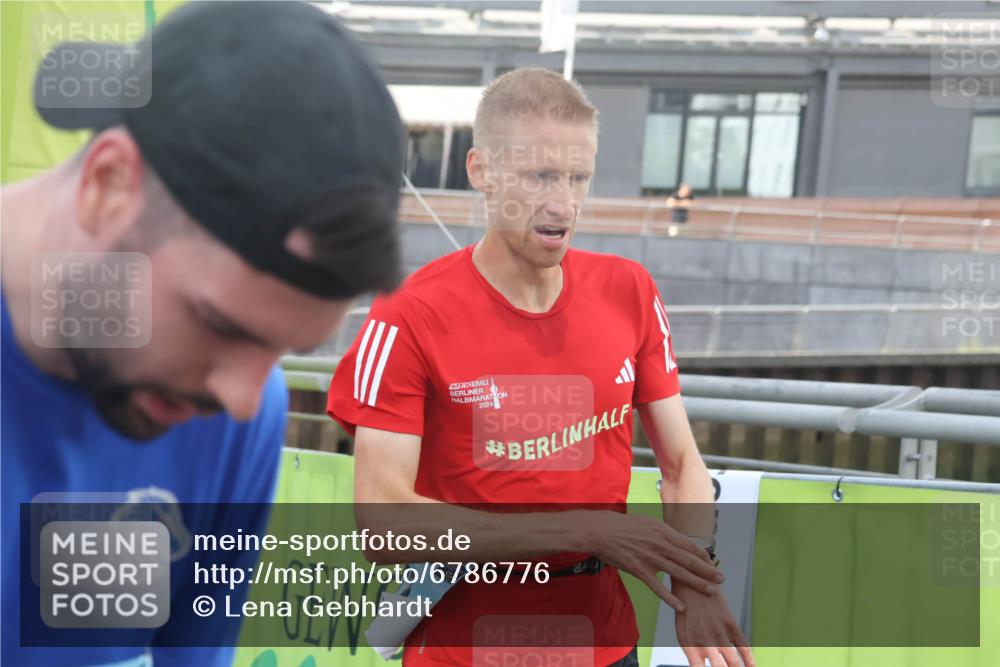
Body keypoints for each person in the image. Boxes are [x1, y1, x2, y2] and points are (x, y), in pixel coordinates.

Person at [1, 2, 403, 665]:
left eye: (283, 351)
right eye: (218, 323)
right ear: (107, 185)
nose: (246, 396)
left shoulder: (233, 413)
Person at [327, 68, 754, 667]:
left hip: (605, 644)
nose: (564, 203)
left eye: (579, 177)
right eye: (540, 176)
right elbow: (382, 522)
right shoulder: (406, 314)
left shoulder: (629, 289)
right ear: (481, 171)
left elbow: (682, 464)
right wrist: (586, 531)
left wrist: (696, 582)